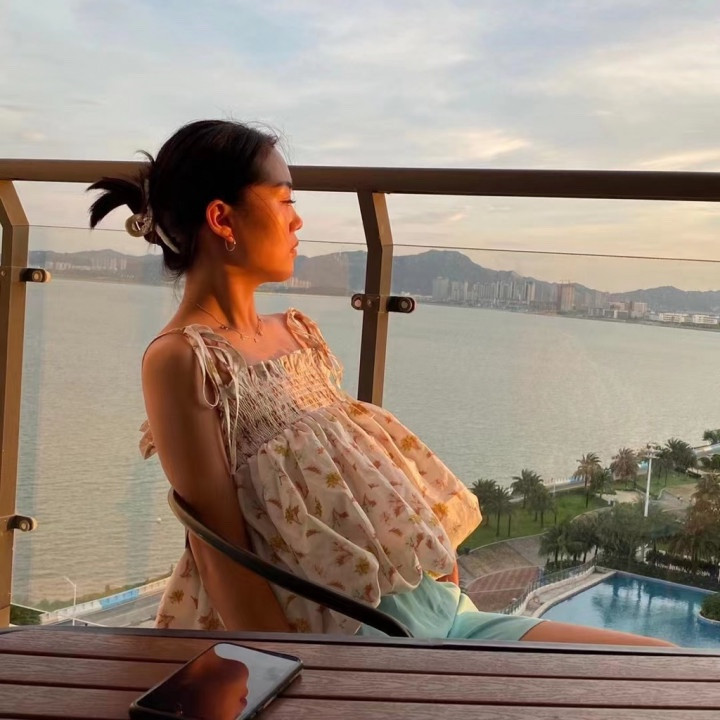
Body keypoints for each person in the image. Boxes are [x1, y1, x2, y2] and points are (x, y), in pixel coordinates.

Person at [89, 120, 672, 647]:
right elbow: (222, 551)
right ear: (222, 219)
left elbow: (356, 474)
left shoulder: (296, 334)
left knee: (662, 664)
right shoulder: (184, 360)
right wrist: (295, 672)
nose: (297, 220)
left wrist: (440, 569)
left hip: (440, 610)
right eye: (285, 199)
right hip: (361, 641)